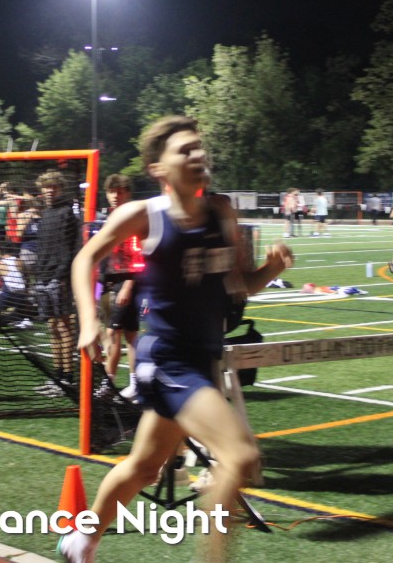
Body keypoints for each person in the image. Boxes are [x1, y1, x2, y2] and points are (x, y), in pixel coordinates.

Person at [58, 116, 293, 563]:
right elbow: (85, 258)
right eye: (185, 150)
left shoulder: (221, 212)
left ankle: (81, 540)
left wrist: (271, 270)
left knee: (144, 468)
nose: (198, 155)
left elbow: (236, 286)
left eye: (200, 147)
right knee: (240, 456)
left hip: (204, 360)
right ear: (158, 168)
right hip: (167, 359)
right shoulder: (144, 215)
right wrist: (89, 320)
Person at [32, 169, 81, 395]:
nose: (50, 190)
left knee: (64, 326)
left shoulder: (67, 213)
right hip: (42, 277)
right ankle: (58, 376)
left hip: (58, 278)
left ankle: (68, 377)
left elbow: (71, 248)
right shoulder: (44, 214)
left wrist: (62, 275)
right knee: (52, 327)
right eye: (46, 186)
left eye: (54, 186)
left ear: (61, 188)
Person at [97, 174, 143, 400]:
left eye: (120, 191)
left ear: (128, 193)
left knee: (113, 333)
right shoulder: (108, 217)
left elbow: (139, 256)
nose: (115, 195)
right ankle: (135, 383)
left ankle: (109, 382)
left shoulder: (132, 218)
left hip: (125, 282)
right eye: (111, 191)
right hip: (110, 282)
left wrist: (128, 286)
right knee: (129, 335)